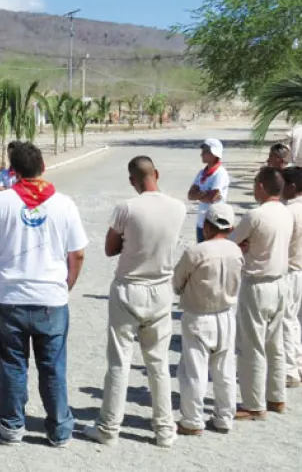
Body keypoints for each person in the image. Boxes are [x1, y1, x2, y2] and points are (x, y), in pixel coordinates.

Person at [0, 141, 87, 447]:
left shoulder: (1, 203)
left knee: (12, 364)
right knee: (53, 367)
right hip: (50, 298)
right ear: (44, 167)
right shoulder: (64, 204)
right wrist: (66, 284)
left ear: (13, 171)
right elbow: (77, 254)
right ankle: (59, 430)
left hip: (9, 296)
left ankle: (12, 426)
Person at [84, 156, 187, 448]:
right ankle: (165, 429)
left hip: (129, 288)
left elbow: (109, 248)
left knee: (119, 362)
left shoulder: (127, 208)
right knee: (158, 363)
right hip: (161, 289)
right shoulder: (178, 208)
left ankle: (109, 427)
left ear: (132, 180)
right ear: (157, 173)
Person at [172, 203, 243, 436]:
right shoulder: (236, 251)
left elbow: (177, 281)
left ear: (207, 226)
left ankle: (192, 419)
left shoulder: (196, 252)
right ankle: (224, 416)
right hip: (226, 315)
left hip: (199, 315)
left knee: (194, 370)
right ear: (231, 227)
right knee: (224, 369)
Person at [231, 166, 293, 419]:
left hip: (257, 284)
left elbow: (230, 242)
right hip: (280, 281)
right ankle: (276, 397)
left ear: (260, 187)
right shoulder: (286, 213)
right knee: (275, 343)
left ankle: (253, 403)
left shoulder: (255, 215)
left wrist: (245, 246)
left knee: (252, 345)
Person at [188, 139, 230, 243]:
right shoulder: (202, 173)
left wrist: (199, 194)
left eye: (205, 151)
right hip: (201, 223)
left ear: (214, 153)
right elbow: (190, 195)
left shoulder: (220, 173)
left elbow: (212, 197)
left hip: (215, 224)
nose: (202, 154)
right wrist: (205, 194)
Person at [282, 166, 302, 387]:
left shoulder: (289, 211)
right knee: (296, 321)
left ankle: (290, 370)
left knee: (287, 321)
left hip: (291, 270)